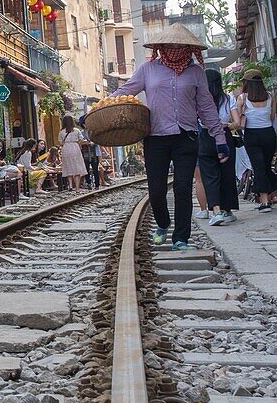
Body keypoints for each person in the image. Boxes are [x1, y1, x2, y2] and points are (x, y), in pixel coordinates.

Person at [108, 25, 228, 248]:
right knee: (156, 190)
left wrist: (220, 139)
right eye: (170, 45)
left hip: (187, 137)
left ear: (188, 48)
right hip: (156, 138)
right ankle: (163, 223)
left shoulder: (196, 73)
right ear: (161, 47)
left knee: (183, 188)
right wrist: (96, 110)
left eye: (180, 45)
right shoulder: (148, 69)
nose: (175, 49)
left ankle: (181, 238)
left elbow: (206, 107)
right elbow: (125, 91)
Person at [232, 69, 277, 212]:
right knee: (264, 166)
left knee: (258, 167)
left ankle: (264, 202)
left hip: (252, 135)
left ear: (247, 83)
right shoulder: (270, 96)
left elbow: (238, 120)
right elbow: (271, 117)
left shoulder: (242, 98)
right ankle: (267, 196)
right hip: (269, 134)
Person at [199, 68, 239, 226]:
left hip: (206, 138)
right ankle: (228, 210)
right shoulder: (228, 99)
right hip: (225, 136)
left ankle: (216, 211)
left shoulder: (200, 99)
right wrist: (226, 124)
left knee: (210, 176)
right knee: (227, 174)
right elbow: (237, 123)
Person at [59, 117, 87, 191]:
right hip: (75, 148)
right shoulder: (76, 130)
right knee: (77, 167)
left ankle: (70, 185)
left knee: (68, 166)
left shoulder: (62, 132)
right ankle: (77, 188)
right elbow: (81, 139)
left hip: (66, 148)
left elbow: (60, 142)